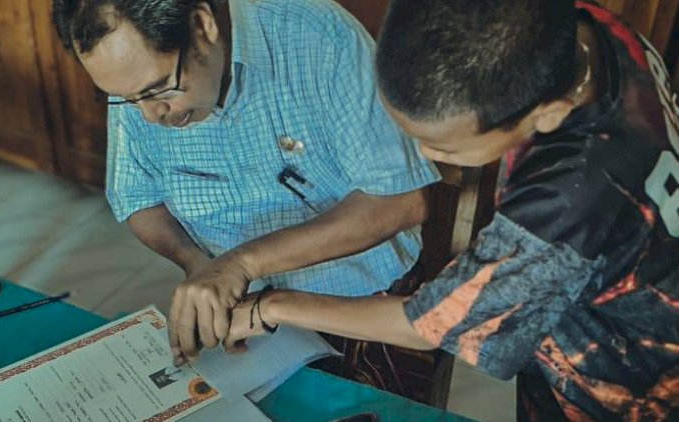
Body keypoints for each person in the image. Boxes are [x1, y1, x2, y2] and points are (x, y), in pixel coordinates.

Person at [223, 0, 679, 420]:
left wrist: (273, 306)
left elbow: (428, 324)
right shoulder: (577, 28)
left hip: (631, 382)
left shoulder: (561, 207)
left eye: (443, 148)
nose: (422, 156)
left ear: (548, 114)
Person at [51, 0, 439, 361]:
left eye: (158, 90)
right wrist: (198, 264)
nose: (150, 116)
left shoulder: (317, 37)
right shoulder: (138, 80)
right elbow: (139, 199)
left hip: (359, 309)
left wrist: (240, 265)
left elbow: (401, 202)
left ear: (202, 25)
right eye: (127, 99)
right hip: (238, 313)